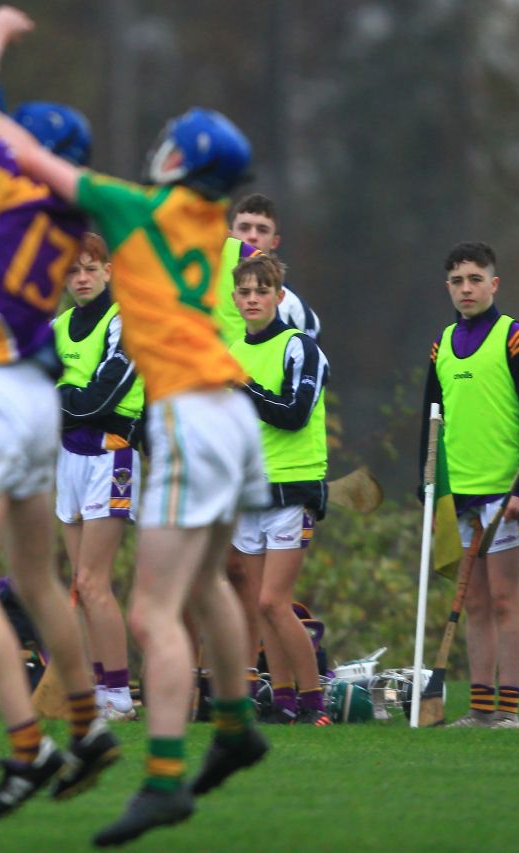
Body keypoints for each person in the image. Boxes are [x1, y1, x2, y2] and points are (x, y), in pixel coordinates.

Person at [0, 8, 271, 842]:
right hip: (234, 414)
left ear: (181, 160)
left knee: (151, 613)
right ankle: (237, 723)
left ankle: (164, 777)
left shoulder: (135, 207)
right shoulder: (205, 219)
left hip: (187, 412)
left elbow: (31, 159)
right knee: (211, 585)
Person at [0, 10, 119, 820]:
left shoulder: (5, 179)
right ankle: (89, 724)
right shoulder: (78, 213)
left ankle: (26, 745)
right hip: (42, 398)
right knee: (40, 577)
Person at [419, 241, 519, 729]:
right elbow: (432, 422)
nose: (466, 289)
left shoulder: (518, 339)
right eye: (457, 281)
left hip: (504, 493)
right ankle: (480, 708)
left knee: (507, 600)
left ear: (494, 283)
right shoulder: (441, 344)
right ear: (447, 287)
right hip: (459, 495)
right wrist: (427, 489)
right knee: (474, 604)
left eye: (475, 279)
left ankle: (508, 711)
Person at [227, 253, 331, 727]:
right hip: (249, 490)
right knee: (259, 605)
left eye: (261, 291)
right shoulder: (231, 348)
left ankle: (315, 702)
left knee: (273, 601)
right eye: (245, 292)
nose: (253, 299)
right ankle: (284, 701)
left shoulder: (299, 347)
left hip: (293, 488)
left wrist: (243, 387)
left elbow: (293, 413)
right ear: (235, 298)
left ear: (278, 296)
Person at [53, 232, 144, 722]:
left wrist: (59, 400)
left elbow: (101, 399)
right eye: (72, 271)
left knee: (93, 582)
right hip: (68, 457)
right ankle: (92, 689)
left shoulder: (125, 322)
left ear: (108, 271)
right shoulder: (59, 327)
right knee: (77, 583)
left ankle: (119, 696)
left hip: (111, 456)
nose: (82, 278)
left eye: (90, 268)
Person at [226, 193, 321, 340]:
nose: (252, 236)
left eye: (262, 230)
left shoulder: (296, 310)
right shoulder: (203, 286)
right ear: (229, 235)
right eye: (244, 228)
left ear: (275, 242)